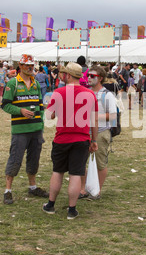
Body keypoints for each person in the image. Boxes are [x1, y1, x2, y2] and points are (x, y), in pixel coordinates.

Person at [42, 62, 99, 220]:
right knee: (76, 174)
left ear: (67, 75)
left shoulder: (59, 92)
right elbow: (94, 121)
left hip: (62, 138)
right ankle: (71, 210)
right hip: (81, 139)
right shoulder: (90, 94)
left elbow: (49, 116)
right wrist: (94, 140)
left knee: (57, 172)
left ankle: (51, 205)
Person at [1, 54, 49, 205]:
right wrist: (20, 111)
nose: (30, 68)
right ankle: (8, 190)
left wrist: (41, 125)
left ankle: (32, 186)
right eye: (27, 65)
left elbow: (40, 105)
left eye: (32, 65)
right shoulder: (13, 83)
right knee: (15, 158)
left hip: (36, 128)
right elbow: (5, 105)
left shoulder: (35, 84)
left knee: (34, 158)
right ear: (20, 66)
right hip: (20, 129)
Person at [79, 65, 117, 200]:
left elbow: (112, 116)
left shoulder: (107, 95)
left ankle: (97, 191)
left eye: (92, 76)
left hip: (101, 132)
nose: (88, 78)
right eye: (88, 75)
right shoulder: (85, 92)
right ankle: (83, 189)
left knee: (100, 163)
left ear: (100, 78)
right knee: (81, 162)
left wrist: (94, 116)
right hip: (85, 132)